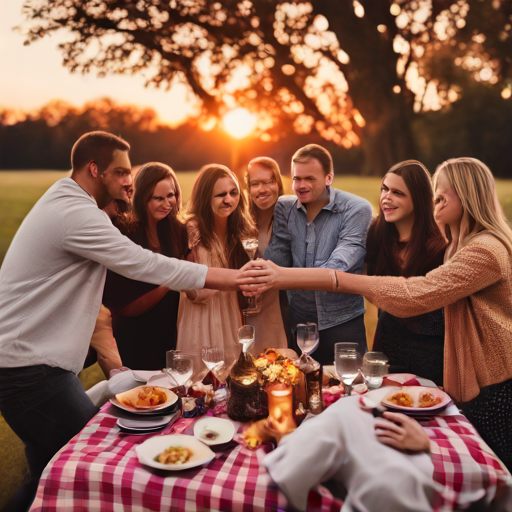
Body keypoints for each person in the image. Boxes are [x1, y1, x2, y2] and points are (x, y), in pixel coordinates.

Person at [0, 132, 247, 511]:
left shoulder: (70, 201)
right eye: (120, 172)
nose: (129, 181)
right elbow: (144, 263)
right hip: (29, 371)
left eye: (130, 173)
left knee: (50, 470)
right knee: (84, 462)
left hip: (28, 365)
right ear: (94, 170)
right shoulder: (75, 213)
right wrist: (234, 277)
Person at [242, 157, 512, 470]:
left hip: (494, 382)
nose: (435, 205)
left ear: (467, 197)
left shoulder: (484, 250)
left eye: (441, 197)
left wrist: (325, 279)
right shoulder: (455, 245)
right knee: (441, 458)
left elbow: (414, 295)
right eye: (434, 197)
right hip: (442, 368)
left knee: (490, 466)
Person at [264, 144, 372, 364]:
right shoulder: (285, 207)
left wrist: (278, 276)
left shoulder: (357, 209)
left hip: (343, 323)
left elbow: (337, 268)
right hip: (299, 325)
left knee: (348, 388)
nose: (301, 186)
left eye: (310, 179)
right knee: (301, 389)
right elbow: (276, 258)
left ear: (329, 178)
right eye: (296, 179)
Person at [365, 160, 446, 385]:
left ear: (418, 198)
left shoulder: (440, 246)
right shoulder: (376, 234)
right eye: (385, 189)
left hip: (431, 350)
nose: (386, 197)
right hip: (387, 343)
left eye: (397, 192)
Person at [103, 162, 189, 370]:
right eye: (158, 198)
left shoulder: (180, 231)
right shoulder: (125, 232)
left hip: (170, 327)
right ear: (142, 198)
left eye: (171, 195)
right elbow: (124, 303)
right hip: (134, 331)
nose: (167, 203)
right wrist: (172, 278)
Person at [177, 164, 257, 372]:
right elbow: (192, 290)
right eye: (220, 195)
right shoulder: (191, 232)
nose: (228, 200)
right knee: (200, 383)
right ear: (205, 197)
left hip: (231, 315)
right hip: (200, 317)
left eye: (233, 193)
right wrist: (231, 281)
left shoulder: (241, 232)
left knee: (232, 379)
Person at [244, 157, 289, 354]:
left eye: (269, 182)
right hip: (247, 313)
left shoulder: (292, 220)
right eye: (255, 184)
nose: (262, 189)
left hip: (280, 313)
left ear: (278, 183)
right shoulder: (240, 223)